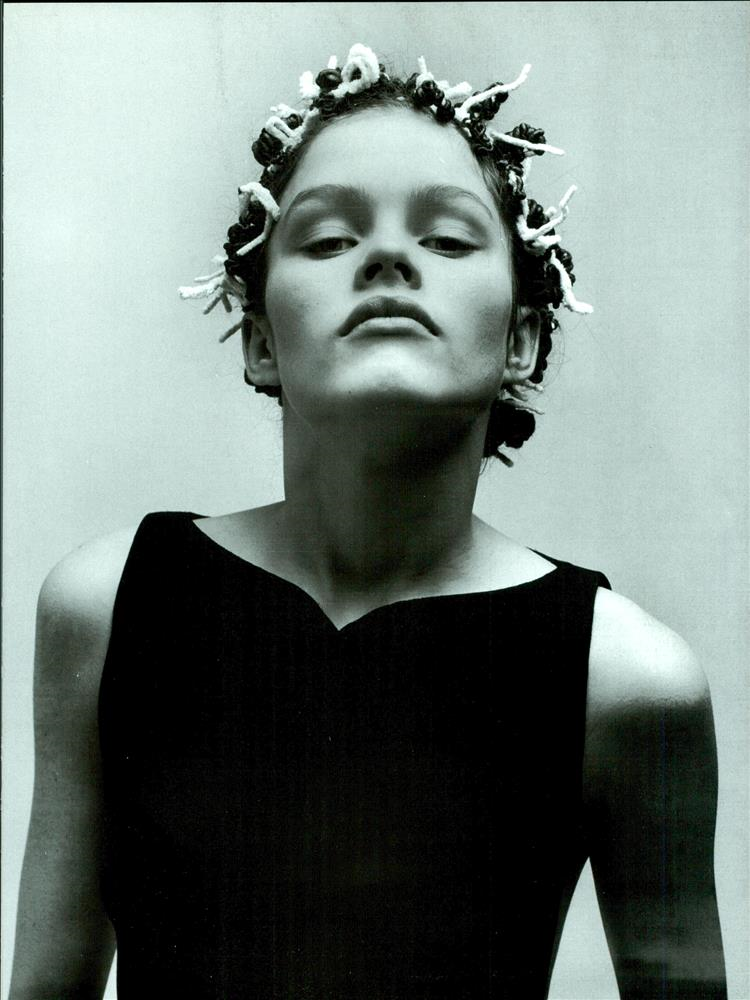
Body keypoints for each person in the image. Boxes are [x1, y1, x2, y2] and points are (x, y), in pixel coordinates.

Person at [10, 44, 727, 1000]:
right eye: (328, 239)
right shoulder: (108, 606)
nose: (388, 258)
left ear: (521, 338)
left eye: (448, 240)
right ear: (260, 340)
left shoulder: (629, 680)